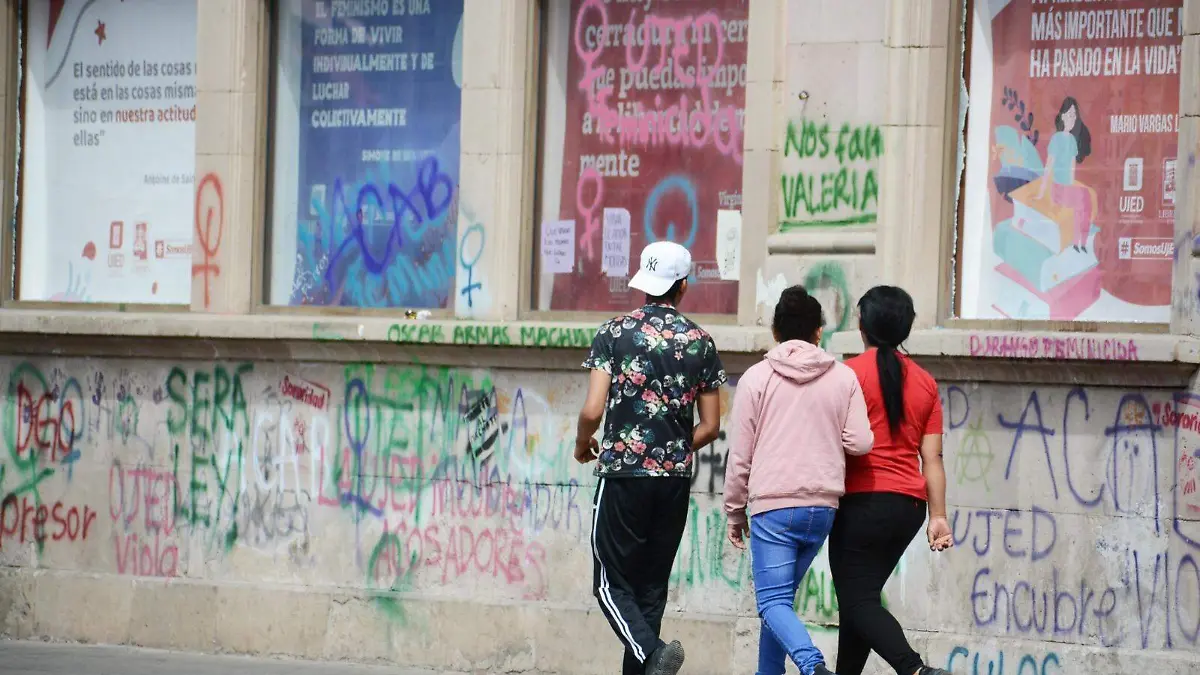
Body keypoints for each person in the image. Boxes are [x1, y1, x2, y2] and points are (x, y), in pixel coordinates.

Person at [574, 240, 726, 675]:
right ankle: (651, 658)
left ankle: (652, 651)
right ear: (683, 286)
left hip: (624, 476)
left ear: (643, 282)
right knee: (650, 590)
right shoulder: (701, 342)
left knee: (610, 585)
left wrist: (583, 442)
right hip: (673, 481)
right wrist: (671, 449)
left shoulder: (614, 333)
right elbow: (710, 426)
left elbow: (592, 410)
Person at [722, 285, 873, 675]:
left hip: (773, 507)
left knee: (772, 603)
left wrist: (734, 510)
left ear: (775, 331)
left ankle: (812, 665)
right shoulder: (843, 377)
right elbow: (860, 442)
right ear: (818, 332)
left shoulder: (756, 378)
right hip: (822, 509)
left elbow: (740, 455)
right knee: (780, 606)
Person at [831, 286, 953, 675]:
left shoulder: (847, 374)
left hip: (860, 505)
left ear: (862, 324)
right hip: (909, 509)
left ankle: (914, 669)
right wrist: (938, 516)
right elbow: (932, 458)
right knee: (860, 600)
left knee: (857, 601)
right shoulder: (926, 383)